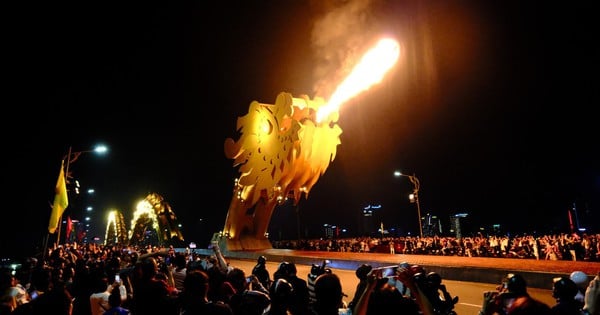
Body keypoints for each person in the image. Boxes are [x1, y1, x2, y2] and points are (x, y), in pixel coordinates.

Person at [479, 273, 552, 315]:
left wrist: (484, 311)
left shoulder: (521, 307)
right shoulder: (536, 305)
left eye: (504, 286)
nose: (498, 288)